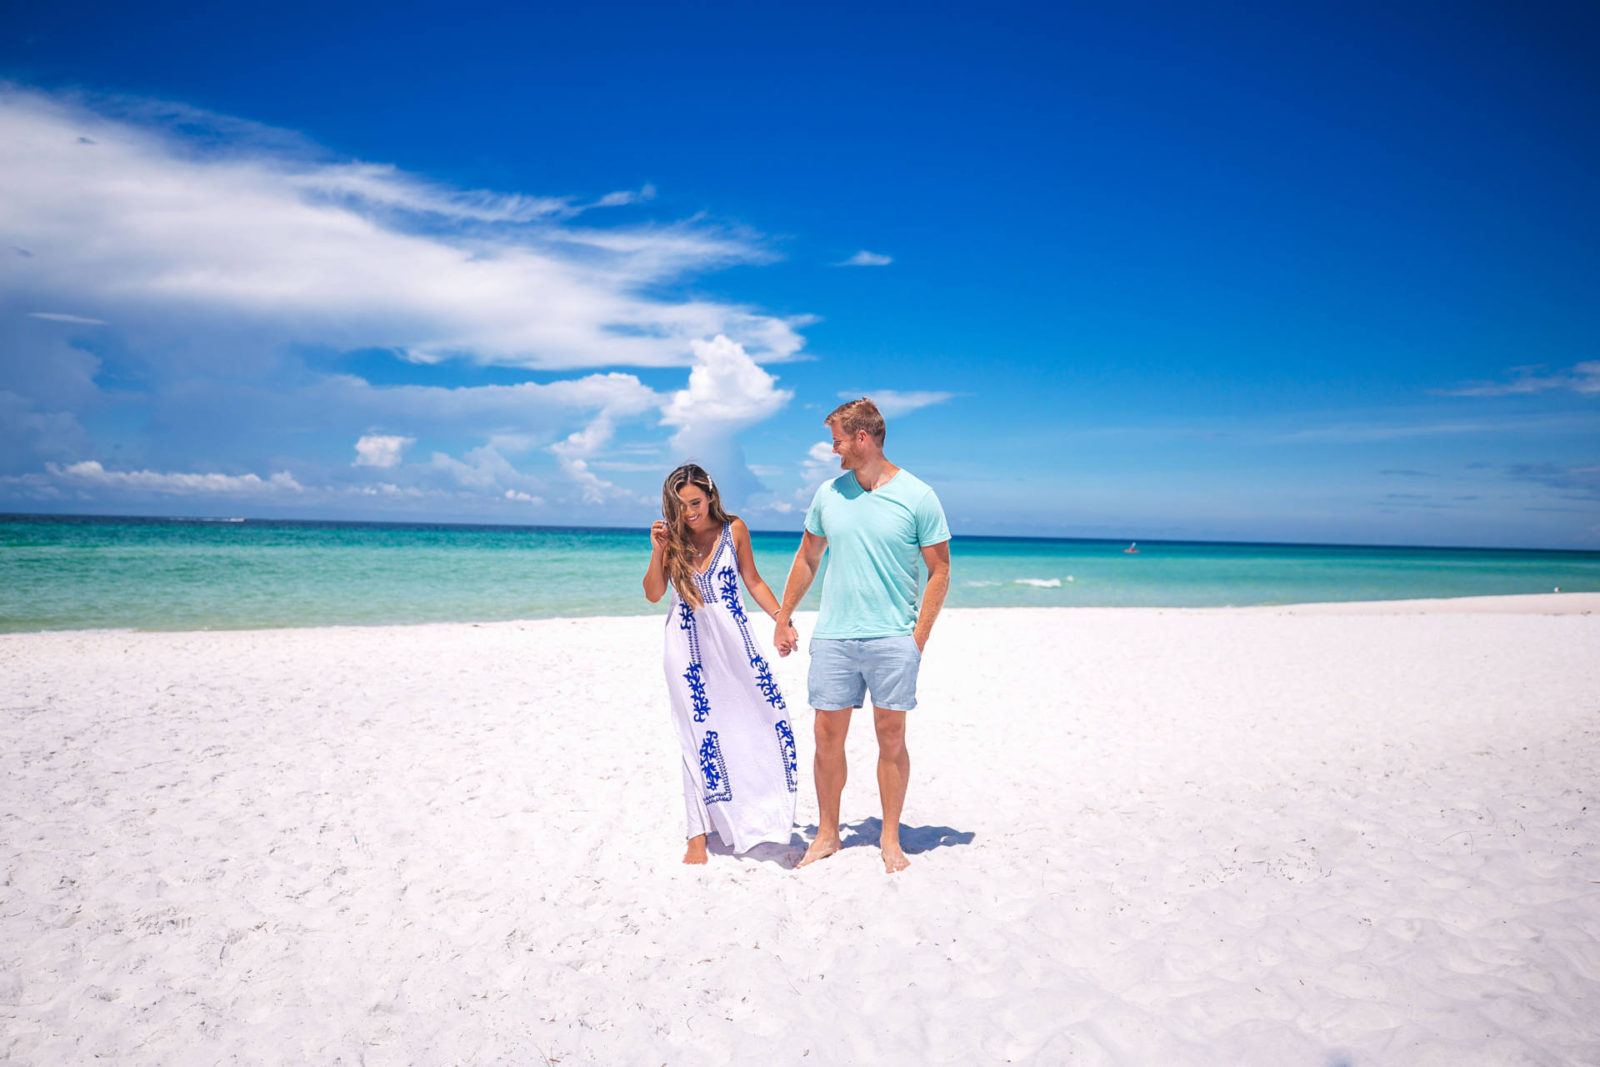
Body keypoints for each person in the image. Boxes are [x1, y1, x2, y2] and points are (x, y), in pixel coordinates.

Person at [773, 398, 951, 874]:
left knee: (890, 738)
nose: (833, 450)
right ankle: (828, 834)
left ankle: (890, 839)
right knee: (826, 737)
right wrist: (784, 615)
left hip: (893, 639)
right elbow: (808, 557)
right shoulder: (829, 494)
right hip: (833, 637)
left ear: (862, 438)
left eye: (837, 440)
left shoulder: (918, 496)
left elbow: (940, 570)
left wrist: (919, 637)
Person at [644, 463, 798, 864]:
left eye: (695, 502)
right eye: (680, 507)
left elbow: (754, 580)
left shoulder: (735, 530)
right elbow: (653, 593)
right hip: (685, 647)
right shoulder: (672, 540)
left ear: (711, 495)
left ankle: (754, 812)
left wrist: (782, 620)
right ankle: (696, 834)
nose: (689, 513)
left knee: (761, 717)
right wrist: (658, 549)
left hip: (735, 645)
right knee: (695, 734)